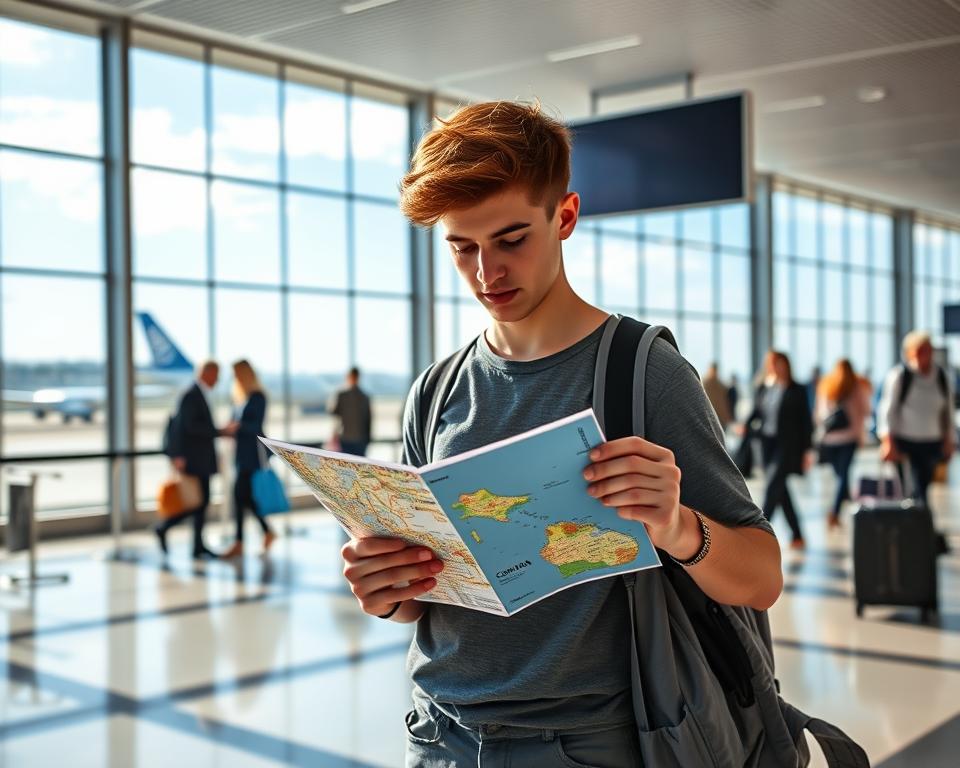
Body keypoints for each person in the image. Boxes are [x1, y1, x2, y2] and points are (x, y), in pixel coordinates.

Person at [338, 101, 782, 767]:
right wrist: (386, 590)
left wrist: (677, 526)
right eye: (462, 247)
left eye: (511, 240)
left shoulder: (643, 372)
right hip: (439, 737)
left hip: (591, 744)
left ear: (565, 216)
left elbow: (762, 575)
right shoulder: (435, 392)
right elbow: (422, 604)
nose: (487, 274)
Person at [877, 331, 955, 508]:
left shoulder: (942, 377)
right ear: (909, 352)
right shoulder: (900, 376)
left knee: (922, 486)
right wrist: (887, 441)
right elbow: (887, 410)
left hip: (932, 442)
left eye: (927, 350)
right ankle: (923, 526)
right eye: (918, 351)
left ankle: (919, 526)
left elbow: (947, 412)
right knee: (916, 487)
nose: (923, 355)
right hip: (906, 442)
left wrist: (949, 440)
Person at [155, 360, 222, 559]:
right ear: (207, 373)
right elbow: (185, 427)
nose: (217, 380)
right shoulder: (190, 395)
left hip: (199, 458)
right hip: (194, 459)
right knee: (197, 503)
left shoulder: (196, 394)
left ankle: (197, 545)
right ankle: (164, 527)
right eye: (216, 375)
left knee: (201, 502)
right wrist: (219, 431)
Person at [747, 350, 813, 550]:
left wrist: (807, 450)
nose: (776, 367)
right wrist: (745, 428)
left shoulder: (797, 389)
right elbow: (756, 413)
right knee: (781, 491)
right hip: (766, 444)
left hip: (788, 446)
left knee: (772, 486)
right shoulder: (764, 387)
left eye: (780, 363)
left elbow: (805, 421)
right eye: (773, 363)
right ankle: (798, 534)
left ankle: (758, 533)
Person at [220, 360, 277, 559]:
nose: (234, 378)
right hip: (240, 454)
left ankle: (240, 542)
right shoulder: (240, 398)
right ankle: (265, 532)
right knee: (244, 497)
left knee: (240, 496)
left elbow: (256, 426)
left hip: (253, 456)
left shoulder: (257, 397)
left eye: (237, 374)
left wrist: (237, 427)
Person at [815, 359, 869, 530]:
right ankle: (836, 512)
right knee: (843, 476)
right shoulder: (857, 386)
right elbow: (865, 412)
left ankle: (838, 510)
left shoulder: (827, 386)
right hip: (849, 438)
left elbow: (820, 414)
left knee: (841, 476)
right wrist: (861, 436)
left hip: (830, 439)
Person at [329, 367, 372, 456]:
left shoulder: (342, 395)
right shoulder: (364, 397)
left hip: (348, 437)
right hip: (356, 438)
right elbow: (369, 420)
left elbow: (333, 411)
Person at [702, 362, 733, 431]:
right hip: (711, 417)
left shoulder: (719, 384)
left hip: (718, 417)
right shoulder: (705, 383)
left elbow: (723, 402)